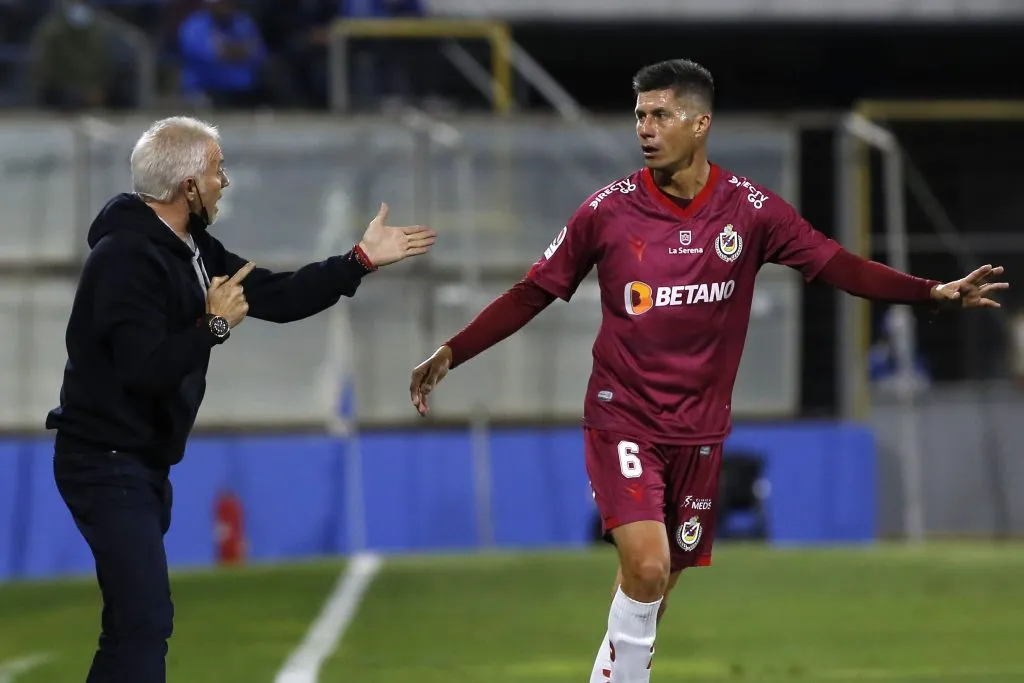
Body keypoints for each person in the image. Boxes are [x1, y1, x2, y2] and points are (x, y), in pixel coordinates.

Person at [408, 59, 1007, 683]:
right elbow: (532, 291)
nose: (645, 128)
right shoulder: (606, 211)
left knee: (654, 589)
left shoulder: (749, 212)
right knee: (645, 566)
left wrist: (930, 292)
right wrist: (453, 351)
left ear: (700, 123)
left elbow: (836, 265)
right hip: (623, 417)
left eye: (660, 115)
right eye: (640, 115)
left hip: (698, 433)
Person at [46, 115, 435, 683]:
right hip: (104, 460)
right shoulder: (127, 257)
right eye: (216, 170)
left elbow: (274, 295)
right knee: (143, 620)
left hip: (138, 460)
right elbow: (144, 370)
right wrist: (213, 328)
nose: (223, 182)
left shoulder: (189, 244)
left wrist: (359, 261)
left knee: (136, 621)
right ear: (187, 188)